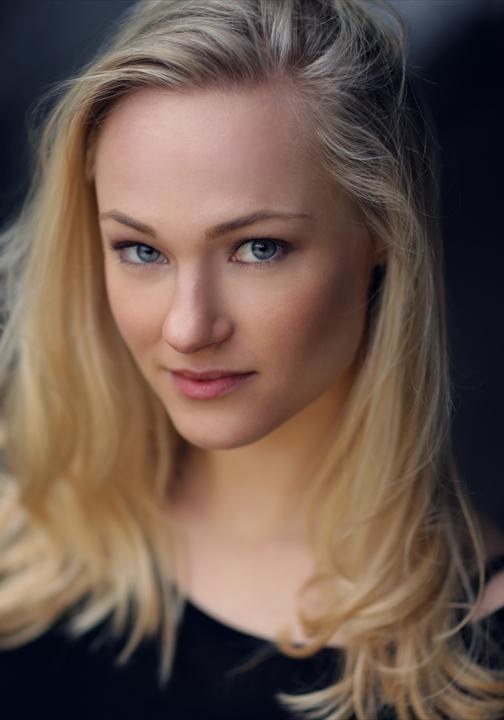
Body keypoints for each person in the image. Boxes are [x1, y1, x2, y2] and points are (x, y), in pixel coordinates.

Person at [0, 1, 503, 718]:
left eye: (257, 248)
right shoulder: (17, 552)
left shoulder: (479, 662)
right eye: (140, 249)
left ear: (383, 232)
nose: (187, 328)